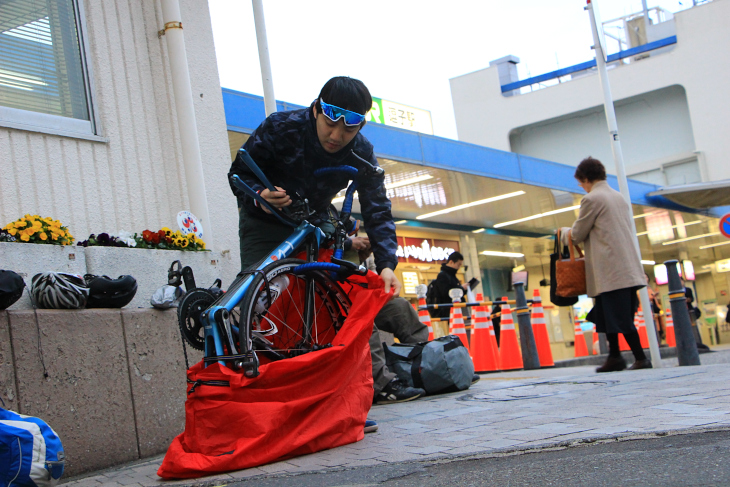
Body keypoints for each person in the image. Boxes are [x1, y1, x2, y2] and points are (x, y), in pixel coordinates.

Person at [228, 76, 423, 405]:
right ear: (316, 109)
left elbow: (377, 209)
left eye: (348, 130)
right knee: (260, 299)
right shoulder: (281, 128)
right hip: (265, 218)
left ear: (360, 127)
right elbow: (238, 173)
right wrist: (260, 195)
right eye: (330, 124)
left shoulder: (361, 151)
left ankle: (369, 385)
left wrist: (388, 264)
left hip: (316, 217)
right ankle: (264, 388)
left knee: (342, 295)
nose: (336, 137)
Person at [560, 157, 651, 372]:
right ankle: (615, 356)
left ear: (585, 178)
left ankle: (640, 358)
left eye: (580, 182)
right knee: (611, 313)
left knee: (618, 316)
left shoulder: (592, 199)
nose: (581, 186)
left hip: (610, 270)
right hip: (626, 267)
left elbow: (578, 234)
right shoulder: (618, 197)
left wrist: (563, 233)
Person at [430, 251, 468, 320]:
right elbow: (446, 293)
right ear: (451, 262)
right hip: (448, 312)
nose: (459, 267)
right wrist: (461, 288)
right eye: (458, 264)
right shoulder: (443, 276)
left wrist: (463, 289)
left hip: (454, 311)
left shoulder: (451, 276)